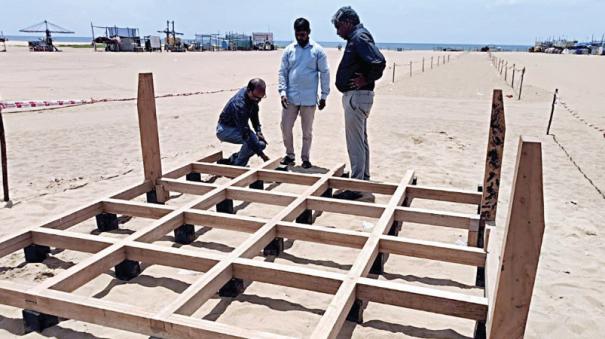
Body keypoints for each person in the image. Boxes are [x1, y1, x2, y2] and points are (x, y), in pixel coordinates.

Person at [331, 6, 386, 200]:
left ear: (347, 23)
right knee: (360, 140)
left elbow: (379, 62)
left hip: (357, 95)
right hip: (358, 96)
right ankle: (362, 177)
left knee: (355, 142)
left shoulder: (359, 37)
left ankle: (356, 186)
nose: (337, 32)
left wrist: (365, 79)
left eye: (338, 26)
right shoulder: (357, 36)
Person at [278, 17, 330, 169]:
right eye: (297, 34)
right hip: (291, 97)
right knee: (285, 127)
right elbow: (282, 72)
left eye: (303, 34)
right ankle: (289, 155)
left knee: (307, 131)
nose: (300, 37)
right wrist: (282, 92)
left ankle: (305, 158)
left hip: (309, 99)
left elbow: (324, 73)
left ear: (309, 32)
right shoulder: (288, 50)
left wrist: (324, 95)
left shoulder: (318, 51)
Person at [216, 78, 270, 166]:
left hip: (238, 127)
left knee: (261, 144)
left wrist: (258, 131)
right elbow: (246, 134)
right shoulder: (240, 105)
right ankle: (238, 166)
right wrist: (263, 156)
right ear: (249, 90)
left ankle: (234, 159)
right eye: (256, 98)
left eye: (260, 98)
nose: (258, 100)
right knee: (252, 142)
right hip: (225, 129)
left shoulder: (252, 95)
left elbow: (254, 113)